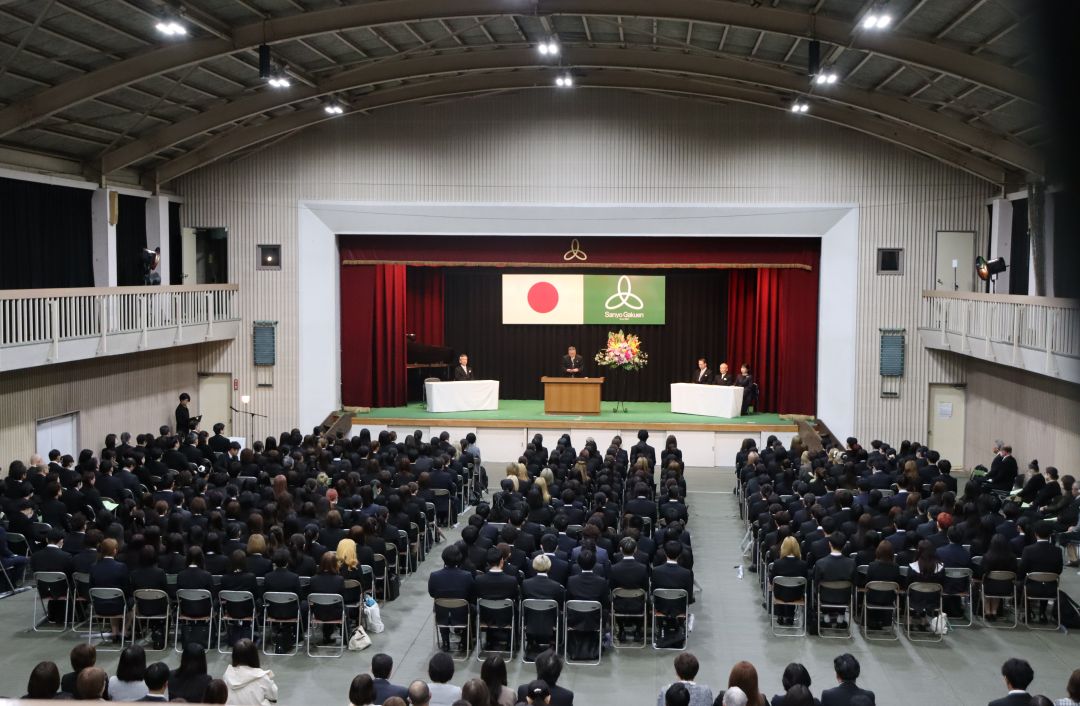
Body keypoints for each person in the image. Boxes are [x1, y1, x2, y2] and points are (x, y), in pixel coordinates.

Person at [222, 639, 277, 706]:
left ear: (234, 656)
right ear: (254, 656)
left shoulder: (227, 675)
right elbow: (273, 697)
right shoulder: (262, 677)